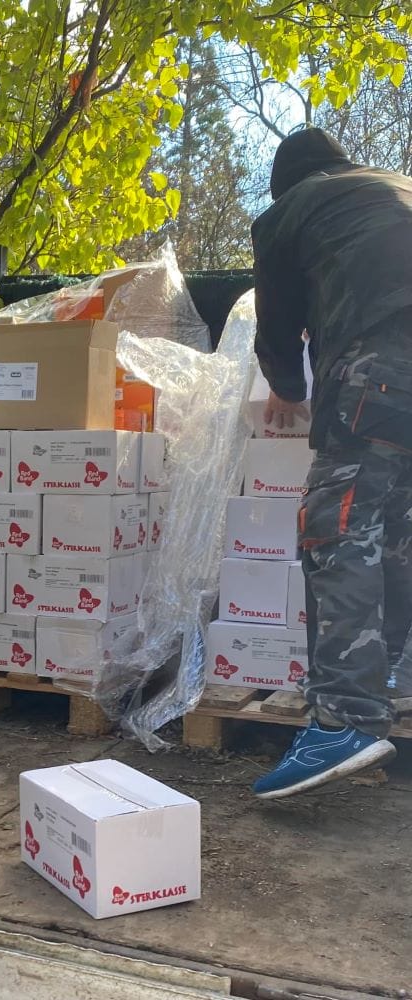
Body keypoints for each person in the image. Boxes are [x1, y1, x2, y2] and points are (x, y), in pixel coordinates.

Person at [250, 126, 412, 800]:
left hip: (383, 367)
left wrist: (287, 388)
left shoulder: (290, 210)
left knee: (338, 531)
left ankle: (346, 718)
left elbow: (276, 326)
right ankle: (392, 680)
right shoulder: (392, 188)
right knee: (398, 531)